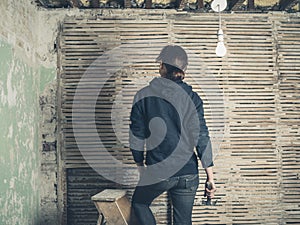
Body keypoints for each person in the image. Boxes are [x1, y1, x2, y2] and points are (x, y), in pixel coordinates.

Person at [129, 45, 216, 225]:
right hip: (188, 174)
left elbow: (136, 135)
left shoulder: (143, 96)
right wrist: (210, 176)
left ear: (162, 67)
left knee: (139, 203)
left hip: (158, 171)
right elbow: (201, 136)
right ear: (183, 70)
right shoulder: (193, 98)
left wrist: (140, 167)